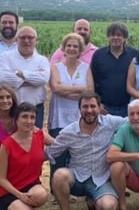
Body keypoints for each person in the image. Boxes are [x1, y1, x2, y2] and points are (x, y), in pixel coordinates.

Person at [47, 91, 139, 210]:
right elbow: (51, 151)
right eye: (85, 106)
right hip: (77, 178)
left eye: (93, 106)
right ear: (79, 109)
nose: (89, 110)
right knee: (59, 175)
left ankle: (93, 200)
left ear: (100, 108)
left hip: (101, 181)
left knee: (109, 206)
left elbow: (132, 119)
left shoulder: (110, 123)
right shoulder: (69, 132)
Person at [48, 33, 94, 199]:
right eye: (69, 46)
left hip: (77, 117)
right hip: (58, 116)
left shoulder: (86, 68)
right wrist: (78, 90)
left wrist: (64, 89)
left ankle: (71, 189)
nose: (72, 49)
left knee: (75, 154)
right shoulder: (55, 67)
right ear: (63, 48)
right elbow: (55, 87)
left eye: (75, 46)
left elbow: (89, 91)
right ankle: (55, 191)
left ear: (80, 49)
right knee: (58, 153)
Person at [0, 102, 54, 210]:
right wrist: (20, 195)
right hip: (10, 190)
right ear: (16, 119)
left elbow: (58, 145)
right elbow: (2, 179)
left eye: (32, 117)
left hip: (31, 185)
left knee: (42, 195)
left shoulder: (40, 136)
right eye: (24, 117)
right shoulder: (7, 145)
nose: (29, 121)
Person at [0, 26, 50, 128]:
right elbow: (4, 79)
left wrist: (22, 74)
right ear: (16, 40)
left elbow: (43, 79)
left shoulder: (42, 60)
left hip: (36, 110)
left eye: (30, 38)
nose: (27, 41)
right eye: (23, 37)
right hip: (11, 109)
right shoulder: (5, 57)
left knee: (33, 141)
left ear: (36, 40)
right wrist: (32, 78)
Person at [90, 23, 138, 117]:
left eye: (119, 35)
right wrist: (97, 103)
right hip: (104, 108)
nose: (115, 37)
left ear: (125, 38)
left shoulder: (134, 55)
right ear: (108, 37)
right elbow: (93, 81)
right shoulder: (98, 55)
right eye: (112, 35)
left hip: (128, 107)